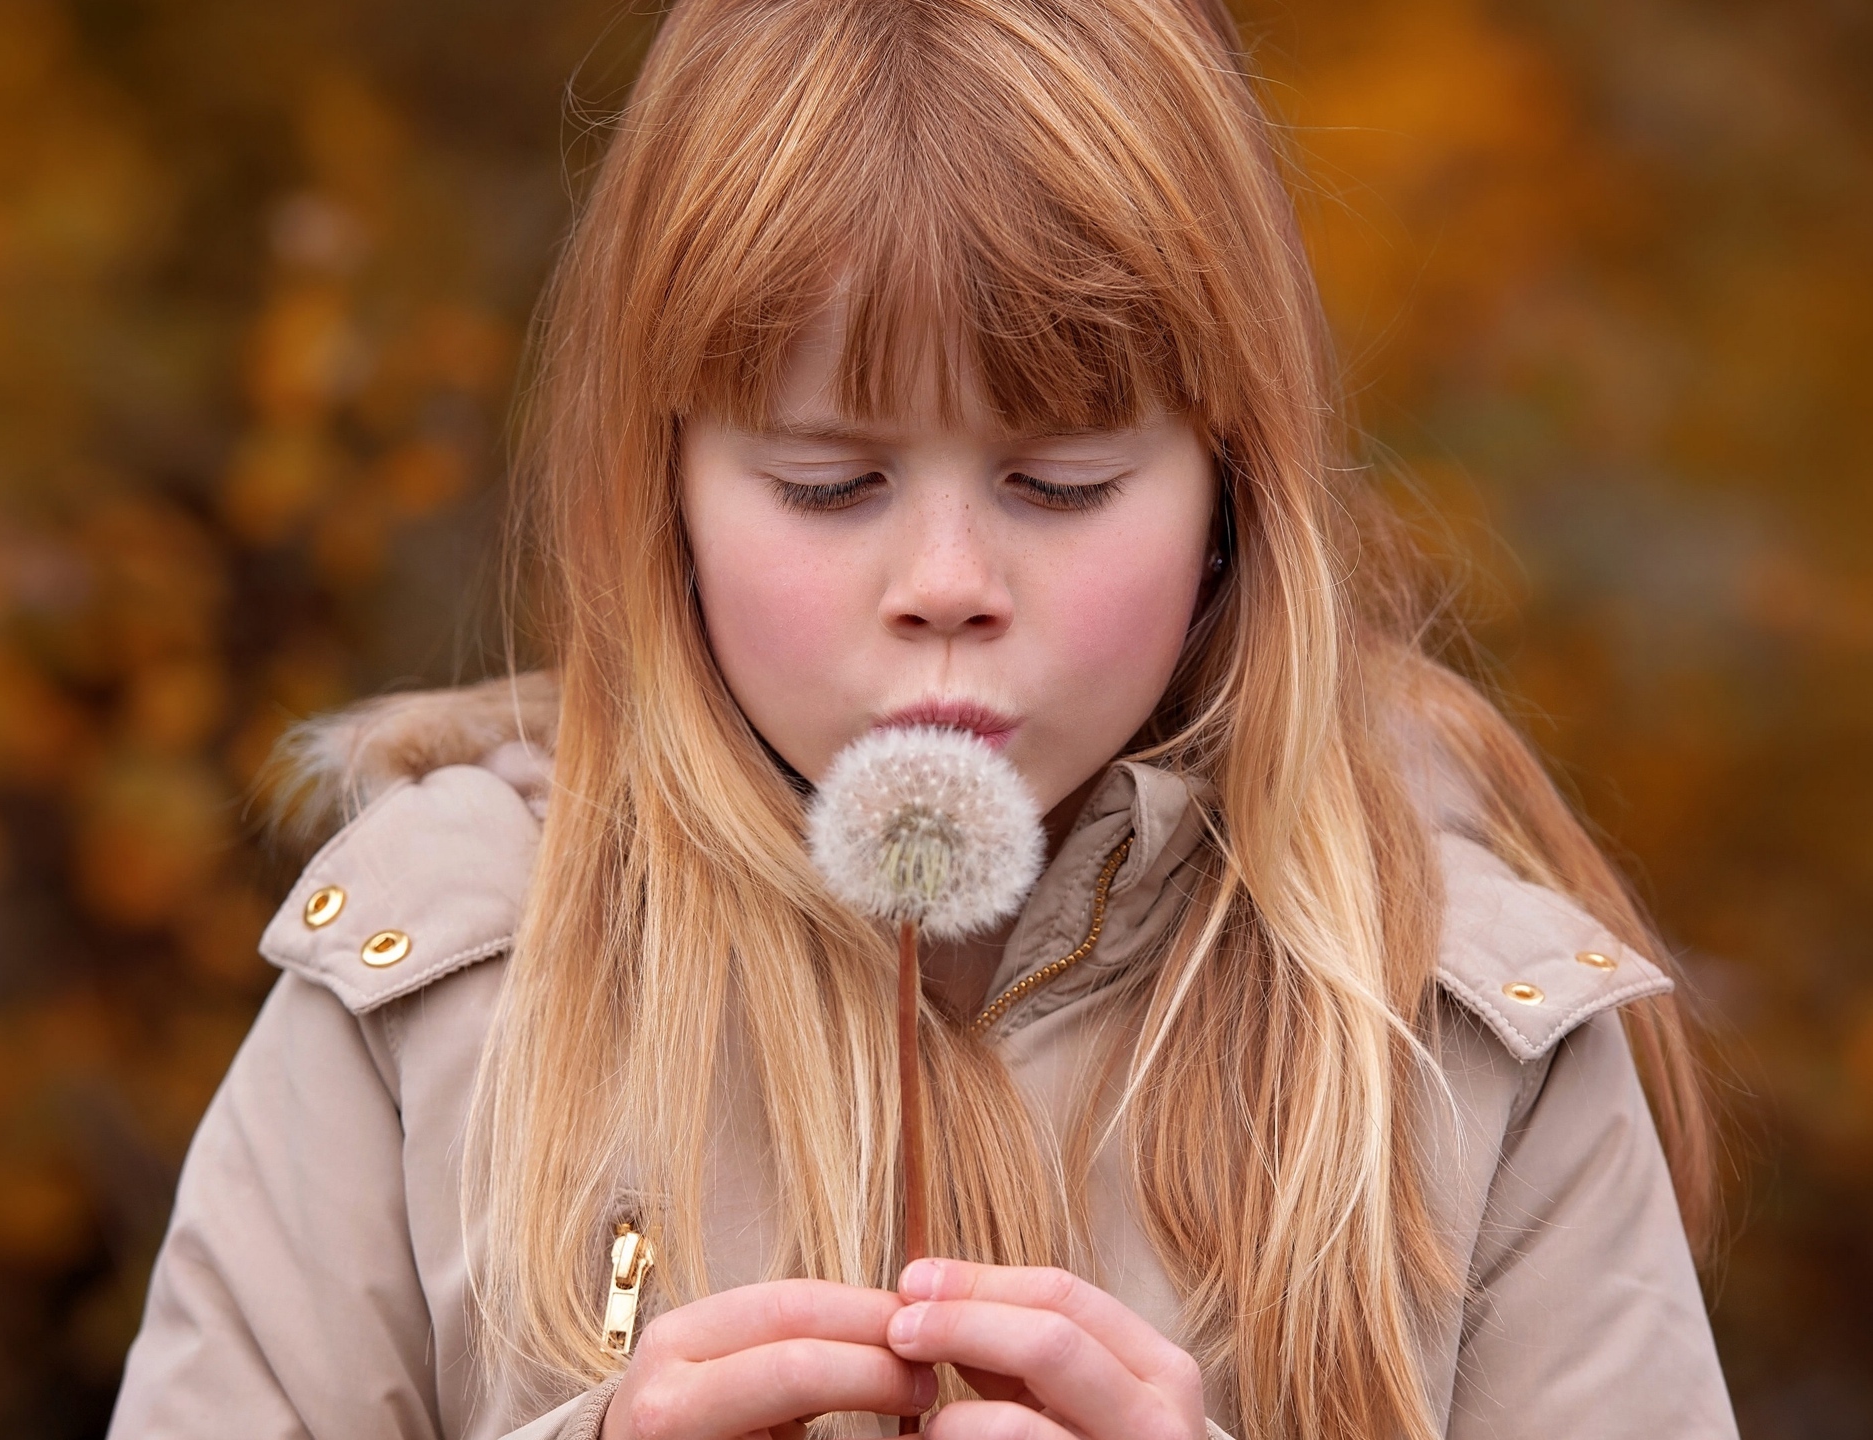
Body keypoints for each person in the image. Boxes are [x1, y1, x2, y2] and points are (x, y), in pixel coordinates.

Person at [108, 0, 1738, 1436]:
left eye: (1061, 481)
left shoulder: (1469, 1058)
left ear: (1232, 488)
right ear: (660, 487)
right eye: (830, 482)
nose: (948, 581)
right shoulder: (432, 1010)